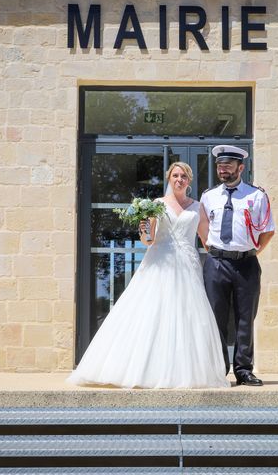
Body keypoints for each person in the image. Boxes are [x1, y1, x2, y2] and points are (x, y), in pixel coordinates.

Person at [67, 162, 229, 389]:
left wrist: (229, 255)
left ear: (189, 181)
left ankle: (181, 373)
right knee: (152, 312)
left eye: (183, 176)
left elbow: (207, 240)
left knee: (186, 317)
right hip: (159, 262)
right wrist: (143, 228)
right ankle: (139, 370)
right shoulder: (157, 205)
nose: (179, 179)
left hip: (187, 265)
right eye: (175, 175)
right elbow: (148, 240)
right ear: (169, 178)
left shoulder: (197, 207)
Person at [198, 145, 275, 387]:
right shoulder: (209, 196)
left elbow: (268, 230)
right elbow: (203, 228)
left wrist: (252, 252)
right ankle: (218, 369)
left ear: (240, 167)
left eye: (228, 166)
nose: (223, 170)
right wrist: (213, 250)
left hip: (246, 264)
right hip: (217, 263)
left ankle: (243, 370)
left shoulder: (256, 196)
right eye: (220, 166)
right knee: (215, 318)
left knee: (245, 318)